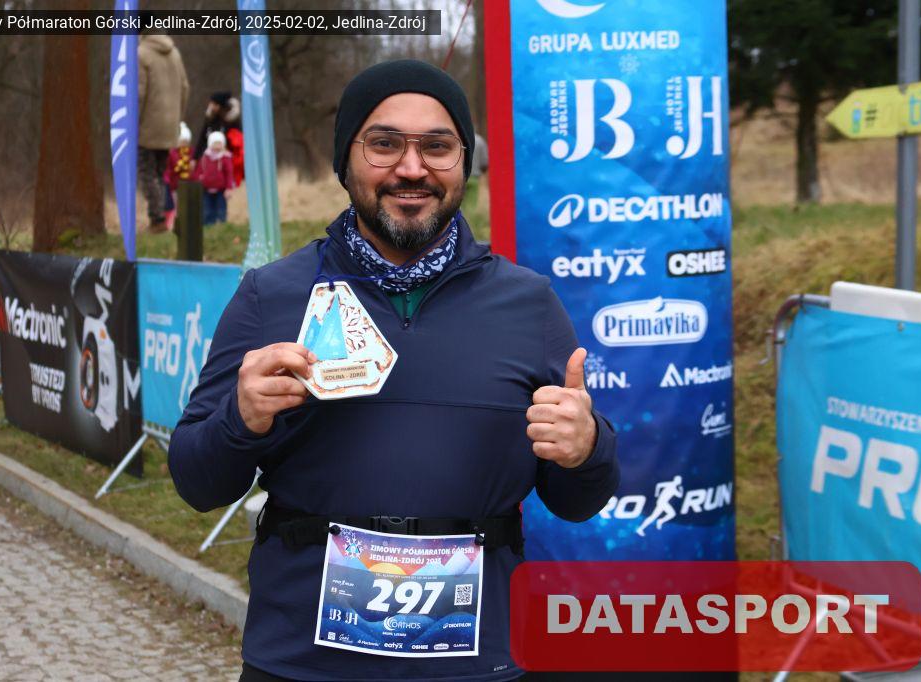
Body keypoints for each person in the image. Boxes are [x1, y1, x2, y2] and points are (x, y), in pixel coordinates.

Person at [169, 59, 619, 682]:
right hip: (304, 665)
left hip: (477, 666)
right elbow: (197, 482)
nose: (412, 168)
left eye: (437, 146)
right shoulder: (271, 297)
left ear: (464, 162)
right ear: (344, 161)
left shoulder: (528, 304)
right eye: (384, 144)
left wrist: (586, 448)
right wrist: (239, 419)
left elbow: (580, 501)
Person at [137, 29, 189, 233]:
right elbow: (185, 87)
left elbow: (139, 93)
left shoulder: (141, 53)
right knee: (160, 173)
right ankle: (162, 215)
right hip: (169, 124)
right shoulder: (174, 52)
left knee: (147, 173)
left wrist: (134, 122)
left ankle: (157, 219)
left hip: (147, 125)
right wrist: (178, 118)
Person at [195, 91, 245, 186]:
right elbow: (202, 138)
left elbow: (238, 141)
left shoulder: (232, 121)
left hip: (228, 160)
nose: (210, 106)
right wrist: (195, 157)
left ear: (219, 105)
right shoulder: (210, 119)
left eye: (213, 104)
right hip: (210, 160)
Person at [194, 131, 234, 225]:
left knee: (221, 208)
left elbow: (229, 174)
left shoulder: (225, 157)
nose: (217, 146)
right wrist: (199, 180)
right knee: (207, 209)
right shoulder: (205, 157)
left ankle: (221, 223)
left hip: (221, 190)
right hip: (206, 189)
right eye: (215, 143)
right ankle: (208, 224)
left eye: (219, 144)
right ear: (210, 144)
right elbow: (199, 170)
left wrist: (228, 188)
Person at [163, 122, 195, 231]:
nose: (183, 144)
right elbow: (170, 168)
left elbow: (194, 167)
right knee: (175, 205)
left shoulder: (192, 153)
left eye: (185, 141)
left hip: (188, 184)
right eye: (181, 141)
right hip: (175, 185)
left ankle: (187, 225)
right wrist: (168, 179)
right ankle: (175, 225)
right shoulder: (173, 153)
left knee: (187, 205)